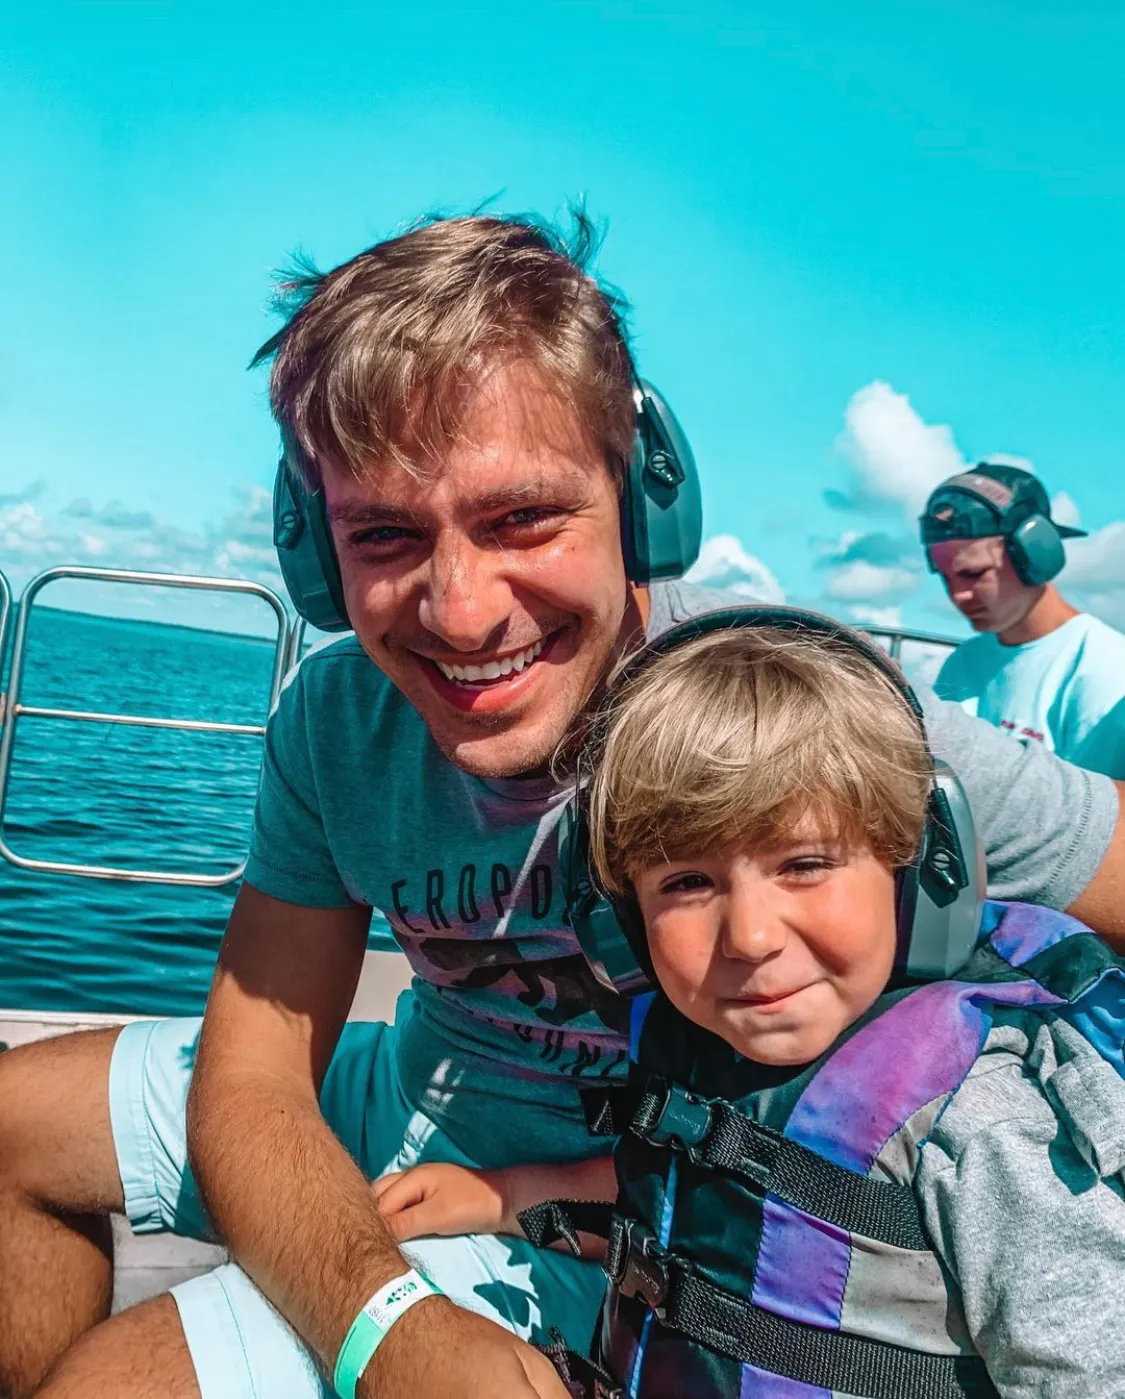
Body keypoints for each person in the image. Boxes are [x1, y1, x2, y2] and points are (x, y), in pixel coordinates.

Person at [0, 213, 1124, 1399]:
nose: (460, 610)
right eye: (383, 534)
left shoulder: (792, 713)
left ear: (640, 503)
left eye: (521, 518)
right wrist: (382, 1329)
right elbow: (256, 1074)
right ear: (316, 555)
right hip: (419, 1092)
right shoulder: (336, 718)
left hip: (644, 1192)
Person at [376, 610, 1125, 1398]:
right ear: (619, 923)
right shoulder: (703, 1043)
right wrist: (502, 1196)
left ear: (918, 874)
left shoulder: (981, 1124)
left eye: (803, 863)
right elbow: (685, 1194)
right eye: (687, 882)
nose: (752, 936)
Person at [921, 461, 1125, 778]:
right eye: (946, 579)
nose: (958, 595)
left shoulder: (1107, 669)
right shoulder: (961, 663)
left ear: (1035, 555)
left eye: (973, 574)